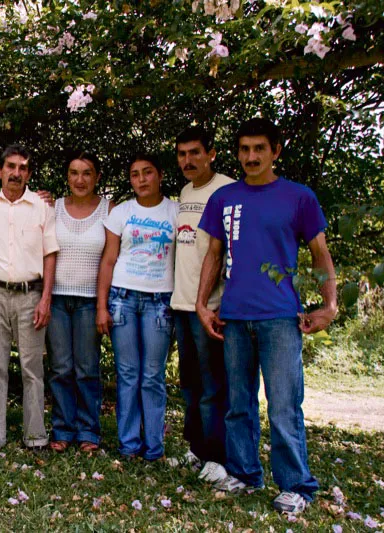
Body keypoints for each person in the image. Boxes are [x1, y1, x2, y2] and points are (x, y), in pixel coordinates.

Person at [196, 118, 337, 514]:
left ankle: (296, 486)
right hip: (235, 317)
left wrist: (329, 305)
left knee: (283, 405)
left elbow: (320, 253)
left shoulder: (299, 197)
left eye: (259, 148)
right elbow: (213, 254)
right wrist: (201, 304)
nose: (251, 156)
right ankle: (243, 473)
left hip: (280, 317)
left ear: (275, 150)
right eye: (244, 149)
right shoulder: (224, 198)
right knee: (238, 402)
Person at [0, 144, 59, 453]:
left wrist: (45, 299)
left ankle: (35, 436)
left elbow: (50, 255)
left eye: (23, 168)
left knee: (32, 368)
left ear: (29, 174)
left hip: (30, 294)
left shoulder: (42, 207)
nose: (16, 173)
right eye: (11, 166)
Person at [96, 153, 178, 461]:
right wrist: (102, 306)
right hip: (123, 299)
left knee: (152, 376)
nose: (141, 179)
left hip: (160, 302)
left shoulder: (175, 211)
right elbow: (108, 260)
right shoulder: (121, 213)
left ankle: (154, 447)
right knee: (128, 373)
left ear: (159, 175)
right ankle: (129, 445)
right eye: (134, 174)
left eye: (147, 173)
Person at [171, 127, 234, 479]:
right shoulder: (185, 191)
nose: (187, 160)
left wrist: (220, 302)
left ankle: (217, 457)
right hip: (182, 303)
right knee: (190, 384)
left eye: (195, 153)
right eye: (182, 154)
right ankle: (196, 449)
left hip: (209, 307)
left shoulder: (226, 189)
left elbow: (227, 250)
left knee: (213, 386)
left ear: (211, 153)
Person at [47, 151, 112, 453]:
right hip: (57, 298)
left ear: (97, 176)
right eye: (74, 172)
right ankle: (62, 428)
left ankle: (88, 431)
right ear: (67, 177)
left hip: (89, 301)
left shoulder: (109, 210)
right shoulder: (53, 207)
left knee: (87, 368)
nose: (80, 179)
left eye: (87, 173)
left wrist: (103, 305)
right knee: (61, 368)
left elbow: (111, 260)